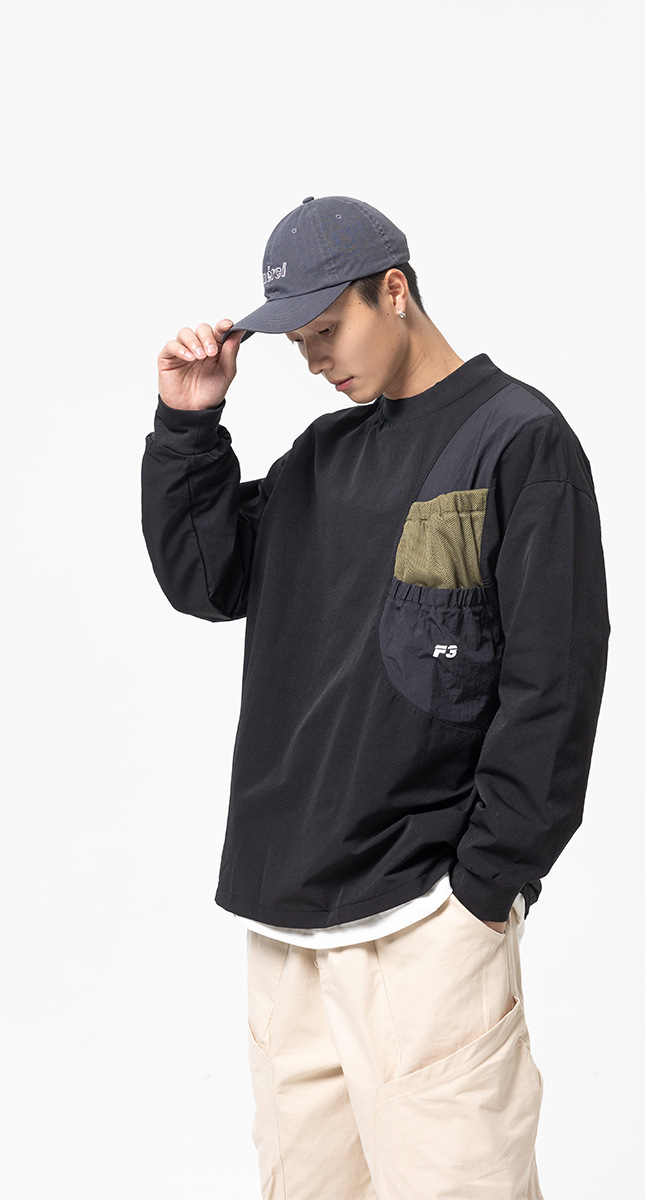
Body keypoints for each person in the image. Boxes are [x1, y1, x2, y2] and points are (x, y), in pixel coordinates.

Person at [141, 194, 610, 1199]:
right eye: (297, 344)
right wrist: (189, 425)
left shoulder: (516, 440)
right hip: (287, 931)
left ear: (393, 290)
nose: (315, 361)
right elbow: (205, 578)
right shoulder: (322, 456)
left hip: (424, 926)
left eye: (326, 330)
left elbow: (555, 683)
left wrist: (483, 890)